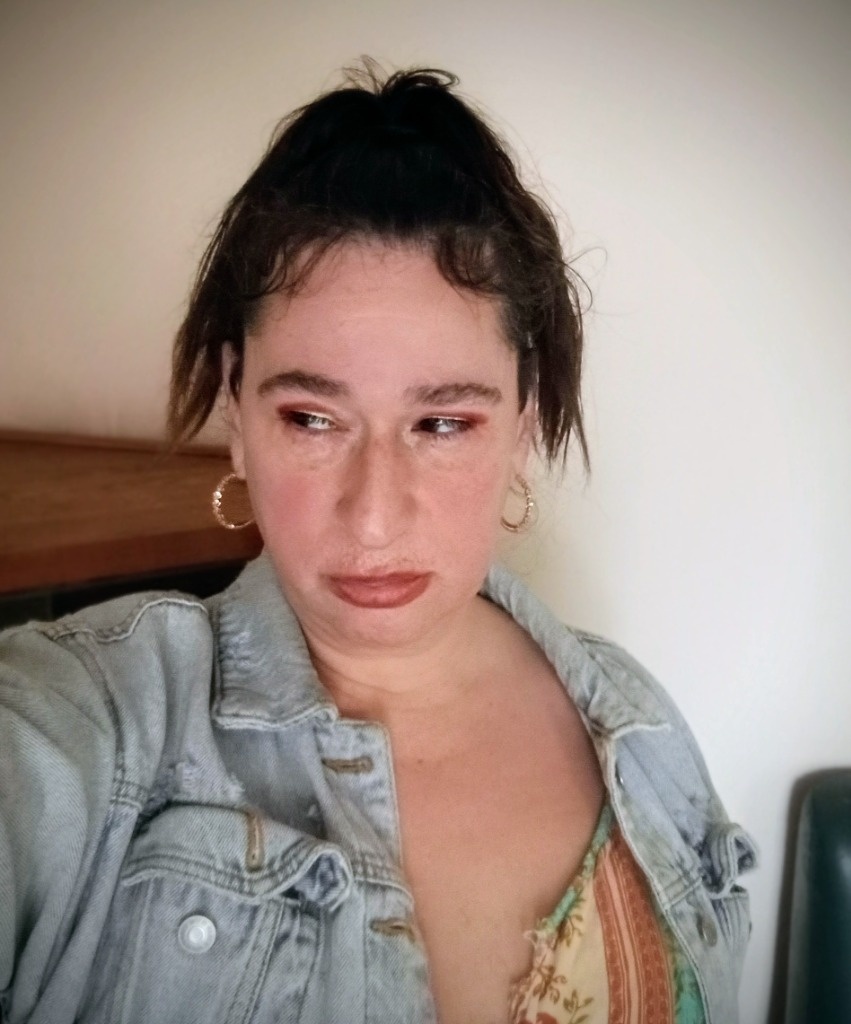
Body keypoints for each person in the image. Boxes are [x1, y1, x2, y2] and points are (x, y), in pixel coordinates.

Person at [0, 65, 756, 1024]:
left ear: (523, 419)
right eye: (312, 419)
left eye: (441, 424)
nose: (372, 521)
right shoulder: (94, 719)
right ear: (236, 409)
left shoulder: (640, 727)